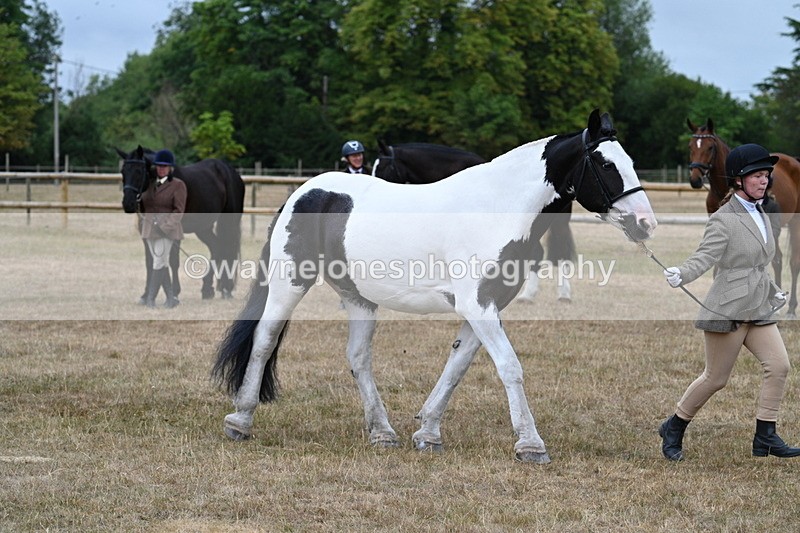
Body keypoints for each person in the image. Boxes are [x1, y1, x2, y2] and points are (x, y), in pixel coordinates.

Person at [659, 143, 798, 461]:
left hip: (758, 306)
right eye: (757, 176)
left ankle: (765, 437)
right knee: (716, 378)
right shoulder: (725, 219)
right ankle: (674, 426)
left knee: (779, 366)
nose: (764, 181)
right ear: (738, 180)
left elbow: (756, 262)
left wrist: (773, 288)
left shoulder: (763, 212)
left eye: (766, 175)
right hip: (729, 307)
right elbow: (705, 256)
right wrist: (683, 272)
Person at [140, 149, 186, 308]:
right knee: (162, 263)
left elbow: (179, 211)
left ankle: (151, 299)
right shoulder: (150, 184)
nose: (161, 169)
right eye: (159, 166)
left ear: (170, 168)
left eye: (165, 166)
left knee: (158, 262)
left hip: (168, 232)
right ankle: (171, 299)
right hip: (149, 230)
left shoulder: (178, 185)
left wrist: (165, 228)